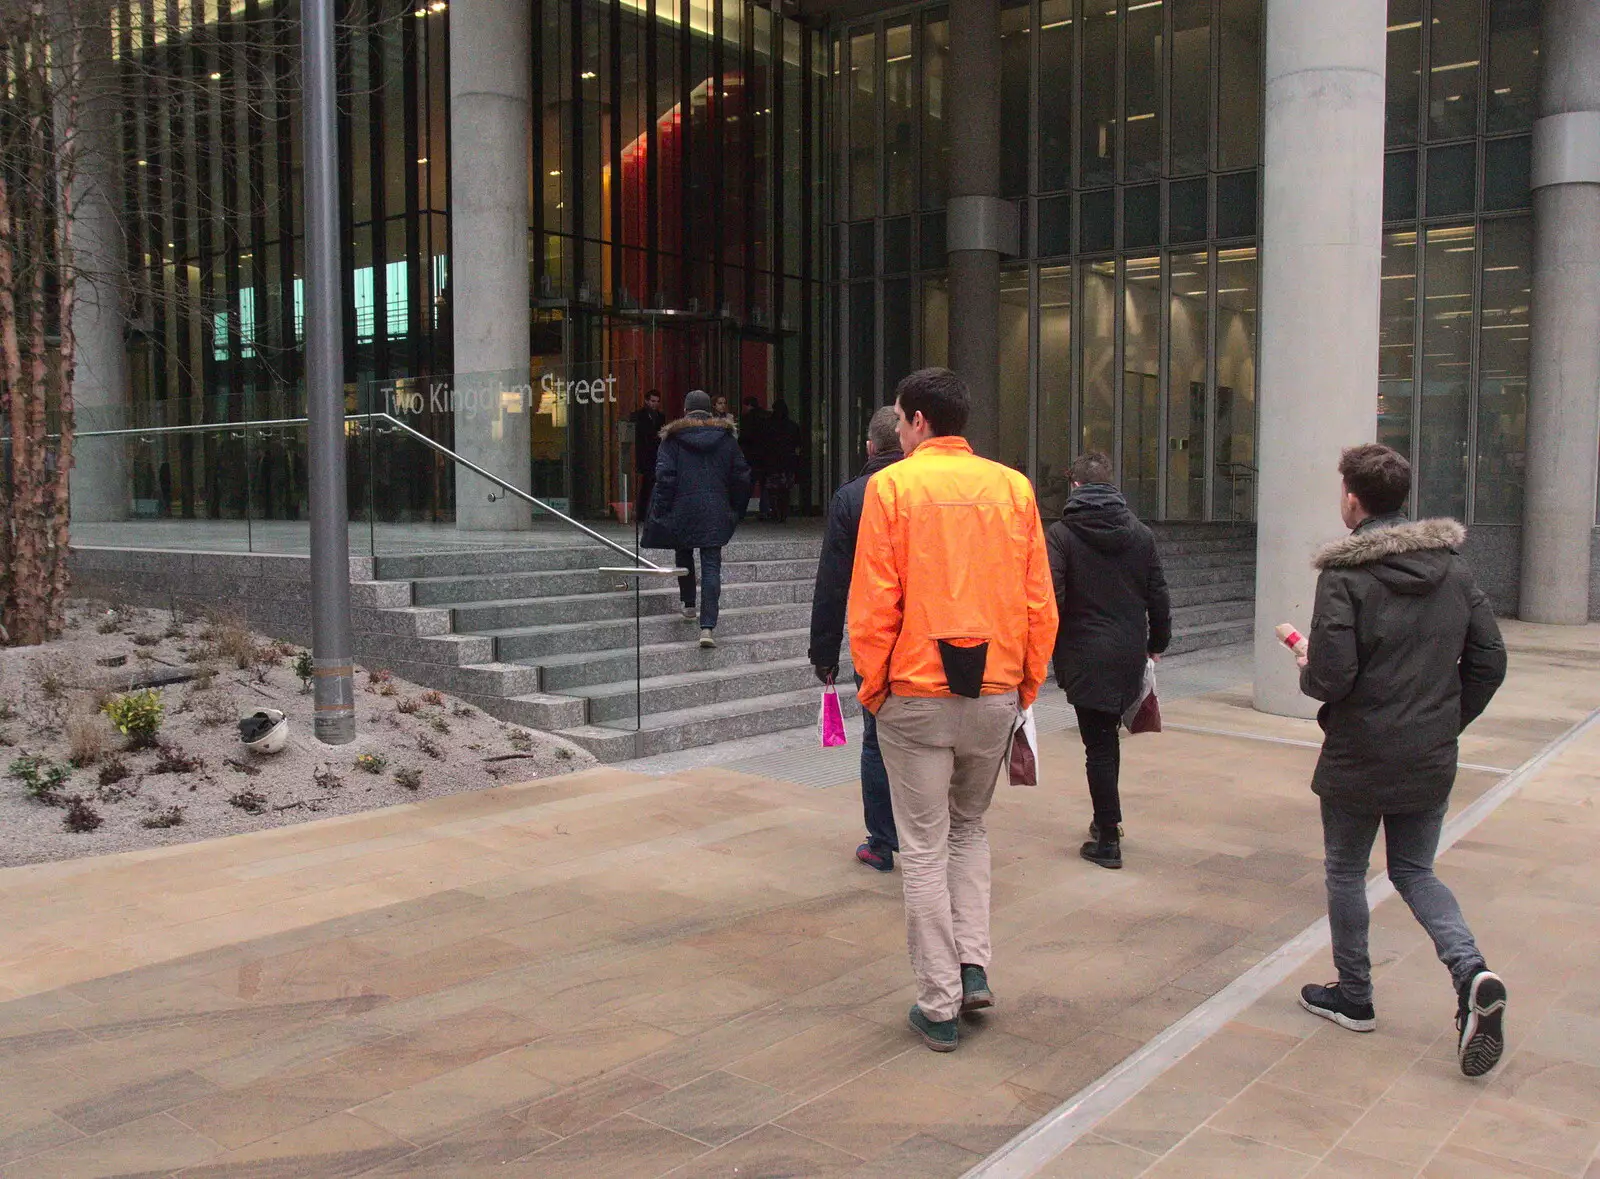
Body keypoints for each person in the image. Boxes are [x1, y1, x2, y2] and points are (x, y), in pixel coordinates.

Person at [849, 367, 1058, 1053]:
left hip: (913, 693)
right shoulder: (1014, 488)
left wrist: (872, 688)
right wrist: (1025, 686)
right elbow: (1039, 606)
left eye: (903, 421)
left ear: (914, 422)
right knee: (969, 831)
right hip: (995, 690)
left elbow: (875, 604)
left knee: (924, 846)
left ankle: (938, 999)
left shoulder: (893, 487)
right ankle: (972, 966)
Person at [1296, 443, 1509, 1078]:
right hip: (1428, 753)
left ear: (1353, 500)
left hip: (1361, 749)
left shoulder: (1344, 575)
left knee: (1345, 870)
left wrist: (1309, 666)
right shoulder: (1453, 567)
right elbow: (1490, 662)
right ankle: (1470, 968)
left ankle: (1355, 995)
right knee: (1414, 870)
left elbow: (1332, 676)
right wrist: (1444, 721)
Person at [1045, 451, 1170, 870]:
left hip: (1083, 652)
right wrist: (1158, 641)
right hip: (1127, 651)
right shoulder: (1141, 534)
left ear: (1075, 486)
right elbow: (1158, 594)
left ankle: (1108, 836)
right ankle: (1106, 824)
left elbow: (1052, 598)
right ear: (1112, 486)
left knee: (1098, 744)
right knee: (1105, 741)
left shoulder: (1061, 535)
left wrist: (1046, 645)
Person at [810, 405, 903, 872]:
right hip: (936, 635)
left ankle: (883, 842)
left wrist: (824, 652)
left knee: (876, 742)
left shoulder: (852, 497)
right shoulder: (929, 488)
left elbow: (832, 582)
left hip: (876, 642)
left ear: (869, 447)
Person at [644, 390, 752, 650]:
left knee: (683, 554)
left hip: (683, 508)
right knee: (712, 565)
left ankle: (689, 604)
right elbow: (742, 476)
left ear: (685, 410)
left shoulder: (672, 439)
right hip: (716, 510)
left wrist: (661, 510)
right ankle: (707, 626)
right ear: (709, 411)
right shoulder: (726, 439)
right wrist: (735, 509)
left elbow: (664, 478)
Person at [629, 389, 666, 525]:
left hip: (656, 455)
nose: (655, 404)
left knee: (652, 484)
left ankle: (649, 512)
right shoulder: (639, 416)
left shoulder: (661, 417)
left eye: (657, 401)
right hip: (645, 455)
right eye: (652, 401)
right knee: (647, 484)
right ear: (646, 401)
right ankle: (643, 512)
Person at [764, 400, 803, 523]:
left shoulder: (768, 425)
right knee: (785, 491)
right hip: (788, 462)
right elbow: (798, 443)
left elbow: (763, 444)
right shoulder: (792, 426)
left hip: (772, 462)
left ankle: (775, 512)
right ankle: (783, 513)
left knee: (773, 490)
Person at [738, 397, 770, 518]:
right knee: (765, 485)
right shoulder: (767, 417)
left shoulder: (747, 419)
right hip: (766, 456)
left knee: (748, 485)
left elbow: (744, 438)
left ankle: (741, 512)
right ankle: (765, 510)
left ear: (748, 405)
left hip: (751, 456)